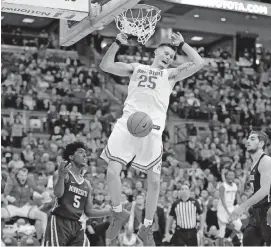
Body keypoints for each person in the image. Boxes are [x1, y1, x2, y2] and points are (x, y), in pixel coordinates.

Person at [99, 32, 205, 245]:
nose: (168, 57)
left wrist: (183, 44)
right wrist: (118, 42)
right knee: (112, 171)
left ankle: (146, 226)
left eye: (171, 56)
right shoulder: (137, 68)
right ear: (156, 51)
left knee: (155, 182)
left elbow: (199, 63)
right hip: (129, 123)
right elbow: (106, 65)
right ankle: (119, 213)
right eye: (166, 52)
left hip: (153, 130)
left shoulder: (172, 75)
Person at [42, 142, 113, 247]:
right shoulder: (63, 173)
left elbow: (89, 212)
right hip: (60, 221)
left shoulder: (87, 184)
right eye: (81, 152)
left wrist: (111, 211)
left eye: (86, 153)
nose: (85, 155)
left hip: (77, 224)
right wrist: (61, 176)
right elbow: (58, 194)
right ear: (71, 156)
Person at [229, 131, 271, 246]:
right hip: (256, 212)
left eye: (252, 139)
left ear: (261, 143)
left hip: (269, 210)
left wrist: (242, 206)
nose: (248, 141)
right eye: (248, 138)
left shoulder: (266, 160)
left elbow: (264, 190)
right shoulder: (253, 164)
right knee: (248, 241)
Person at [217, 170, 242, 245]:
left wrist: (238, 208)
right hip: (222, 208)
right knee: (222, 229)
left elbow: (236, 198)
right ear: (226, 176)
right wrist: (228, 212)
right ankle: (220, 245)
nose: (231, 176)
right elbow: (222, 200)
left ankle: (229, 239)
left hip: (231, 207)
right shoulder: (222, 186)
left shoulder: (235, 185)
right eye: (229, 175)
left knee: (239, 225)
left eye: (232, 175)